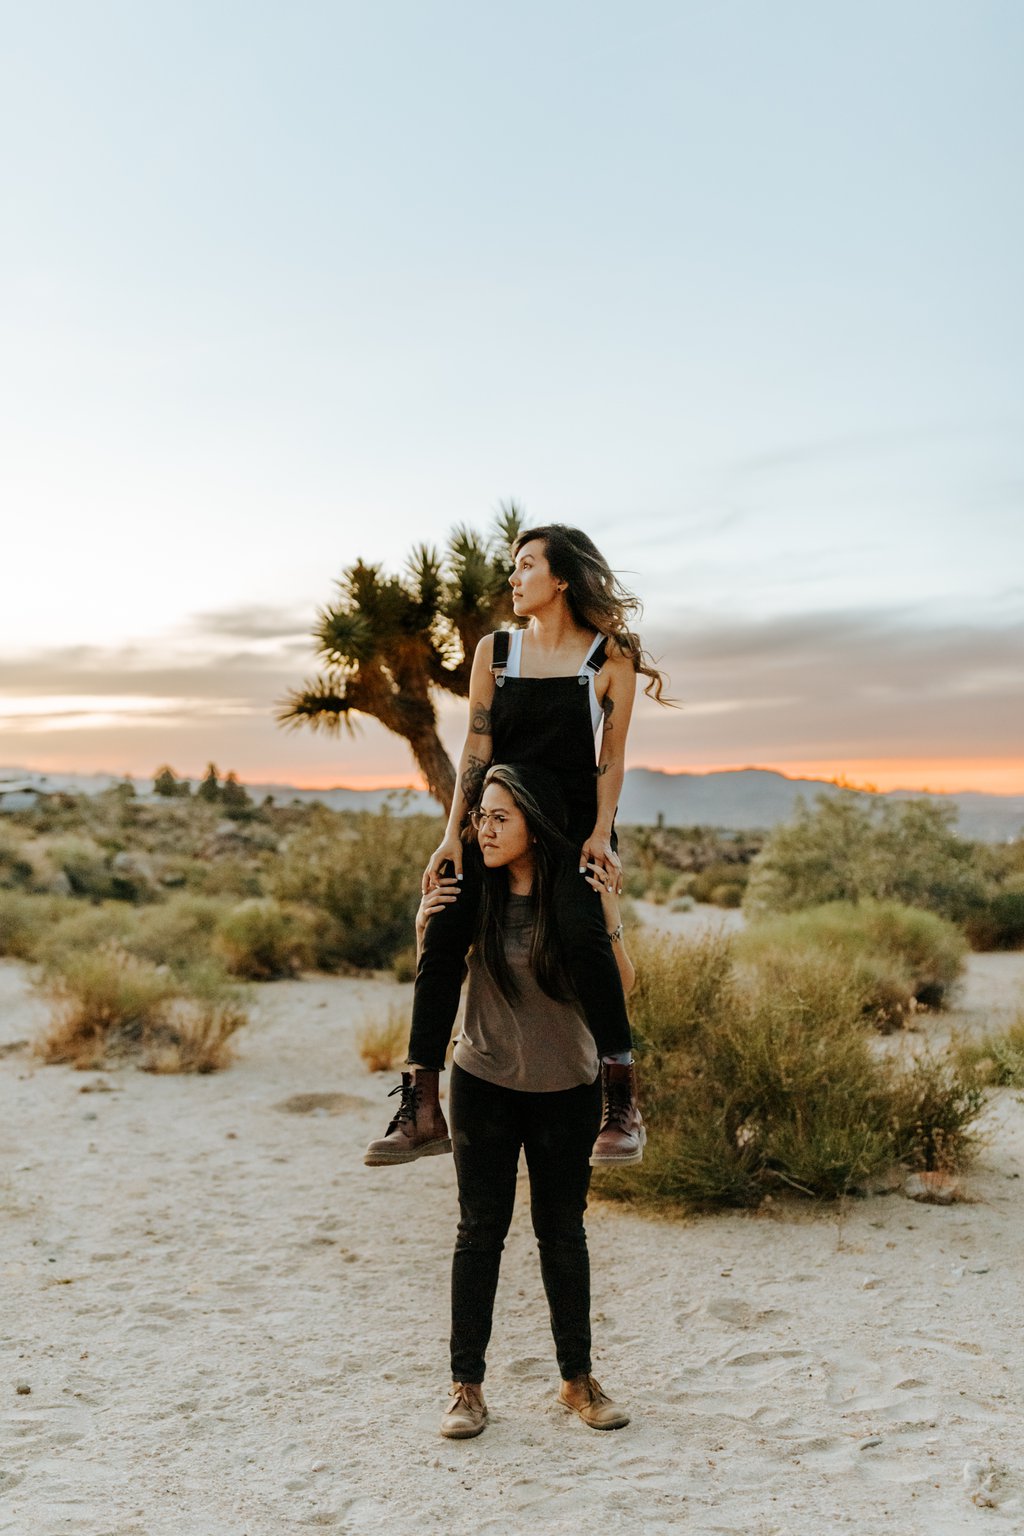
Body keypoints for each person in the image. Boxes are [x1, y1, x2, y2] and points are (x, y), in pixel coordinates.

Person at [364, 524, 669, 1170]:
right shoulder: (495, 653)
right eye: (513, 564)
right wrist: (453, 834)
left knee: (584, 931)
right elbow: (477, 746)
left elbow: (611, 759)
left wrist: (600, 833)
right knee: (444, 924)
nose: (514, 576)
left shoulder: (606, 657)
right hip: (497, 821)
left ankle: (622, 1105)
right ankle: (422, 1107)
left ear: (561, 579)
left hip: (572, 826)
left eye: (527, 564)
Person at [412, 764, 636, 1439]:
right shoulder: (473, 894)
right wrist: (422, 928)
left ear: (534, 828)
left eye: (499, 817)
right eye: (480, 816)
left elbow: (622, 989)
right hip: (483, 1082)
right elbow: (436, 976)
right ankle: (466, 1389)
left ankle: (577, 1381)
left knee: (562, 1233)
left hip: (567, 1086)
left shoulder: (574, 897)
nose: (484, 829)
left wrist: (611, 915)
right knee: (478, 1233)